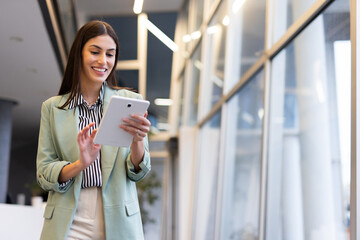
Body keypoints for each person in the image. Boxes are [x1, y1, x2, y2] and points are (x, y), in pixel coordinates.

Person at [36, 20, 151, 240]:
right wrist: (80, 165)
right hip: (69, 217)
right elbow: (44, 172)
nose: (103, 61)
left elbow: (138, 171)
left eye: (110, 54)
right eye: (95, 52)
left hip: (117, 218)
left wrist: (138, 140)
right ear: (79, 54)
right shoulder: (52, 108)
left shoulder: (130, 101)